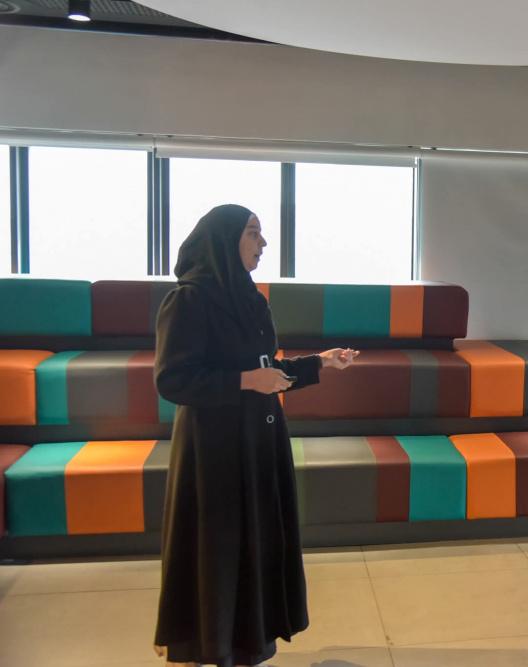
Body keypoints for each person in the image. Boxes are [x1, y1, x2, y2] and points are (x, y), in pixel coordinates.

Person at [152, 204, 358, 667]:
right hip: (214, 450)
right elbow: (173, 380)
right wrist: (246, 381)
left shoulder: (251, 298)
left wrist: (321, 363)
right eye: (253, 233)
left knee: (255, 543)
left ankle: (247, 642)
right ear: (223, 240)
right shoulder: (187, 300)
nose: (263, 243)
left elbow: (266, 371)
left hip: (259, 442)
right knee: (220, 547)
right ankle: (206, 644)